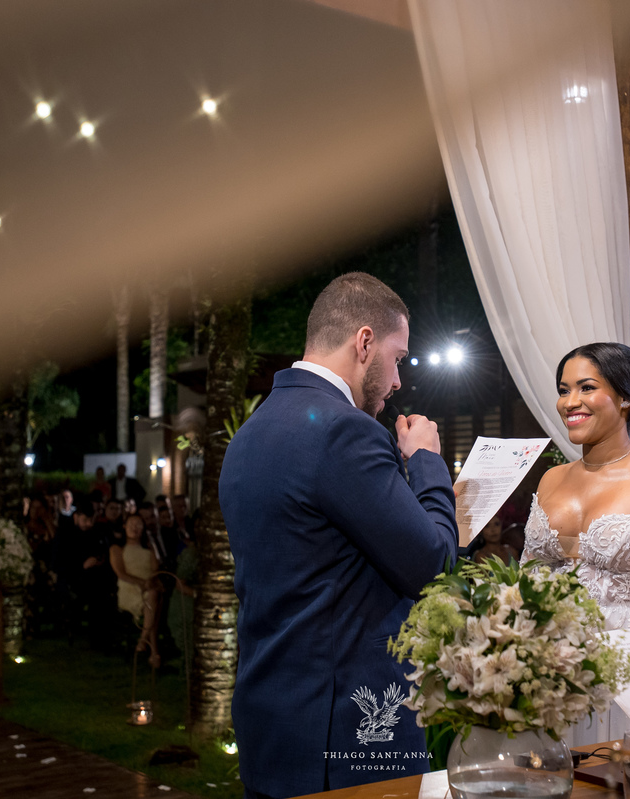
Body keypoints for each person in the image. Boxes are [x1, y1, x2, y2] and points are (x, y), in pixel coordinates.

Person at [220, 272, 458, 798]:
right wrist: (427, 464)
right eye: (398, 358)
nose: (398, 381)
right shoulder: (344, 430)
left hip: (273, 718)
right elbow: (433, 564)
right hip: (348, 729)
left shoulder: (251, 432)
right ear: (365, 342)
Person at [523, 342, 630, 630]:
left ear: (625, 397)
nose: (570, 402)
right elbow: (525, 577)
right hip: (545, 655)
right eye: (564, 391)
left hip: (629, 659)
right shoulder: (551, 479)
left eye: (586, 388)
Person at [110, 514, 161, 668]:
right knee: (154, 602)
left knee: (153, 598)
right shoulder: (117, 548)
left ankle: (144, 641)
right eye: (132, 524)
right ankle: (153, 650)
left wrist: (150, 582)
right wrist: (141, 583)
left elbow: (154, 570)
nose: (135, 527)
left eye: (139, 524)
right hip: (130, 588)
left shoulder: (149, 548)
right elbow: (120, 573)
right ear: (124, 526)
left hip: (148, 588)